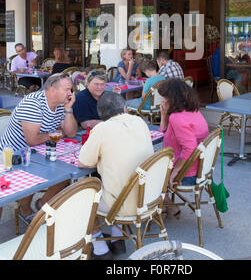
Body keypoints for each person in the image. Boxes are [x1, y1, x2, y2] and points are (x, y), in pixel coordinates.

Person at [78, 92, 154, 260]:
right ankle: (118, 238)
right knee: (119, 183)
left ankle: (99, 248)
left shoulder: (102, 129)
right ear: (125, 108)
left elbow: (84, 162)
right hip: (148, 196)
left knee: (81, 200)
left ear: (101, 114)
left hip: (122, 204)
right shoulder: (140, 122)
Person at [0, 73, 77, 222]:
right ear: (52, 90)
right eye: (67, 89)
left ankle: (42, 204)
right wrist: (56, 133)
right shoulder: (33, 103)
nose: (70, 93)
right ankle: (26, 209)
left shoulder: (61, 104)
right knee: (32, 177)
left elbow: (71, 132)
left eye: (71, 89)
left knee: (67, 173)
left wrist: (68, 109)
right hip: (12, 155)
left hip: (40, 152)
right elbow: (32, 140)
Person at [157, 78, 209, 216]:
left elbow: (190, 148)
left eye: (164, 97)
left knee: (143, 171)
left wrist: (174, 173)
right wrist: (164, 115)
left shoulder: (177, 118)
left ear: (173, 98)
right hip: (200, 169)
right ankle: (165, 204)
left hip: (187, 174)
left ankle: (164, 204)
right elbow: (164, 132)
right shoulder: (192, 111)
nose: (162, 100)